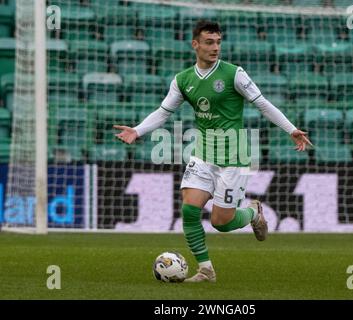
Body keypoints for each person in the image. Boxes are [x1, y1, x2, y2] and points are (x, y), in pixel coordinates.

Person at [113, 20, 312, 283]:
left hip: (235, 157)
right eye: (209, 42)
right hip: (203, 154)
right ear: (195, 44)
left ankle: (253, 212)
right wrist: (137, 130)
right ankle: (206, 270)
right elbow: (164, 112)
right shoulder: (183, 80)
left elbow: (263, 104)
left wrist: (291, 129)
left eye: (218, 42)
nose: (215, 47)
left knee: (221, 222)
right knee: (189, 210)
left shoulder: (234, 74)